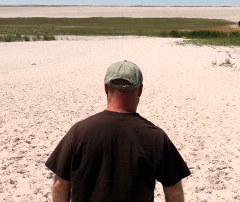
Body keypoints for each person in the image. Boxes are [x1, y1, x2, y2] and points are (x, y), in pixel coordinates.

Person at [45, 60, 191, 202]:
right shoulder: (156, 137)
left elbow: (59, 185)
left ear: (105, 88)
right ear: (140, 90)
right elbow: (174, 190)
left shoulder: (79, 131)